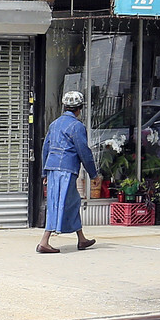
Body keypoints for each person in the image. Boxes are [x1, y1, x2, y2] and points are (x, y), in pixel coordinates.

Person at [39, 90, 98, 254]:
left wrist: (44, 173)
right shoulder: (77, 126)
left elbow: (46, 148)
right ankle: (44, 241)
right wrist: (93, 174)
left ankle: (81, 238)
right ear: (79, 109)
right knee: (66, 203)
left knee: (62, 202)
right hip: (67, 169)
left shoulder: (54, 124)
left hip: (52, 168)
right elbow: (84, 151)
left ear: (64, 107)